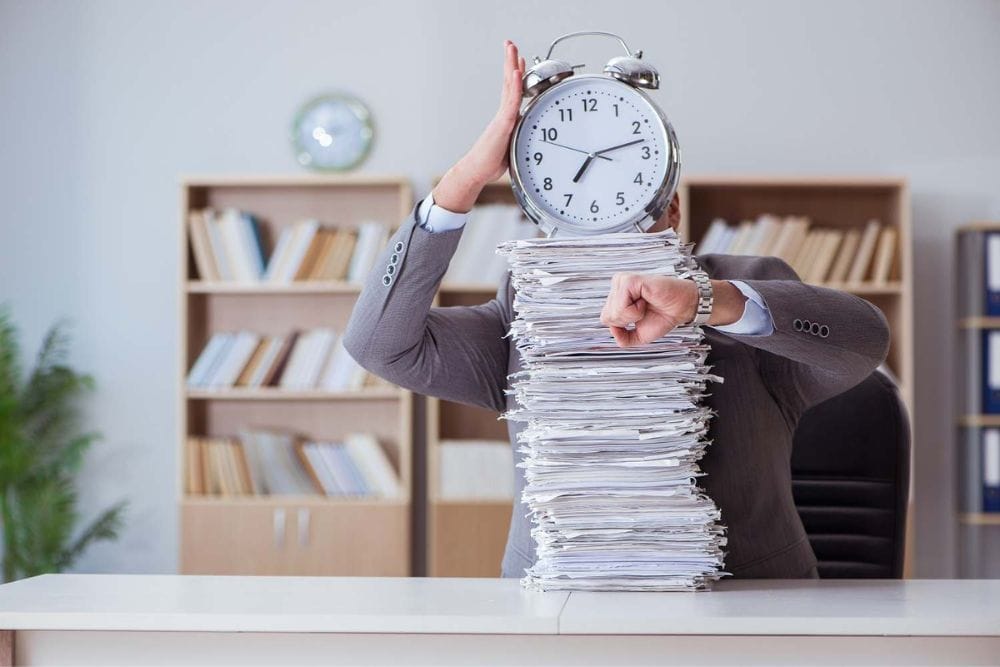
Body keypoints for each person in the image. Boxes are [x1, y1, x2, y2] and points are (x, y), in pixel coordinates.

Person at [344, 41, 890, 578]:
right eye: (575, 196)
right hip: (558, 611)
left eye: (623, 189)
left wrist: (706, 301)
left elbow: (864, 342)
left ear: (670, 207)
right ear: (544, 207)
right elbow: (378, 345)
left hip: (741, 609)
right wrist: (462, 182)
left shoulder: (745, 288)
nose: (602, 222)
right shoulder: (522, 318)